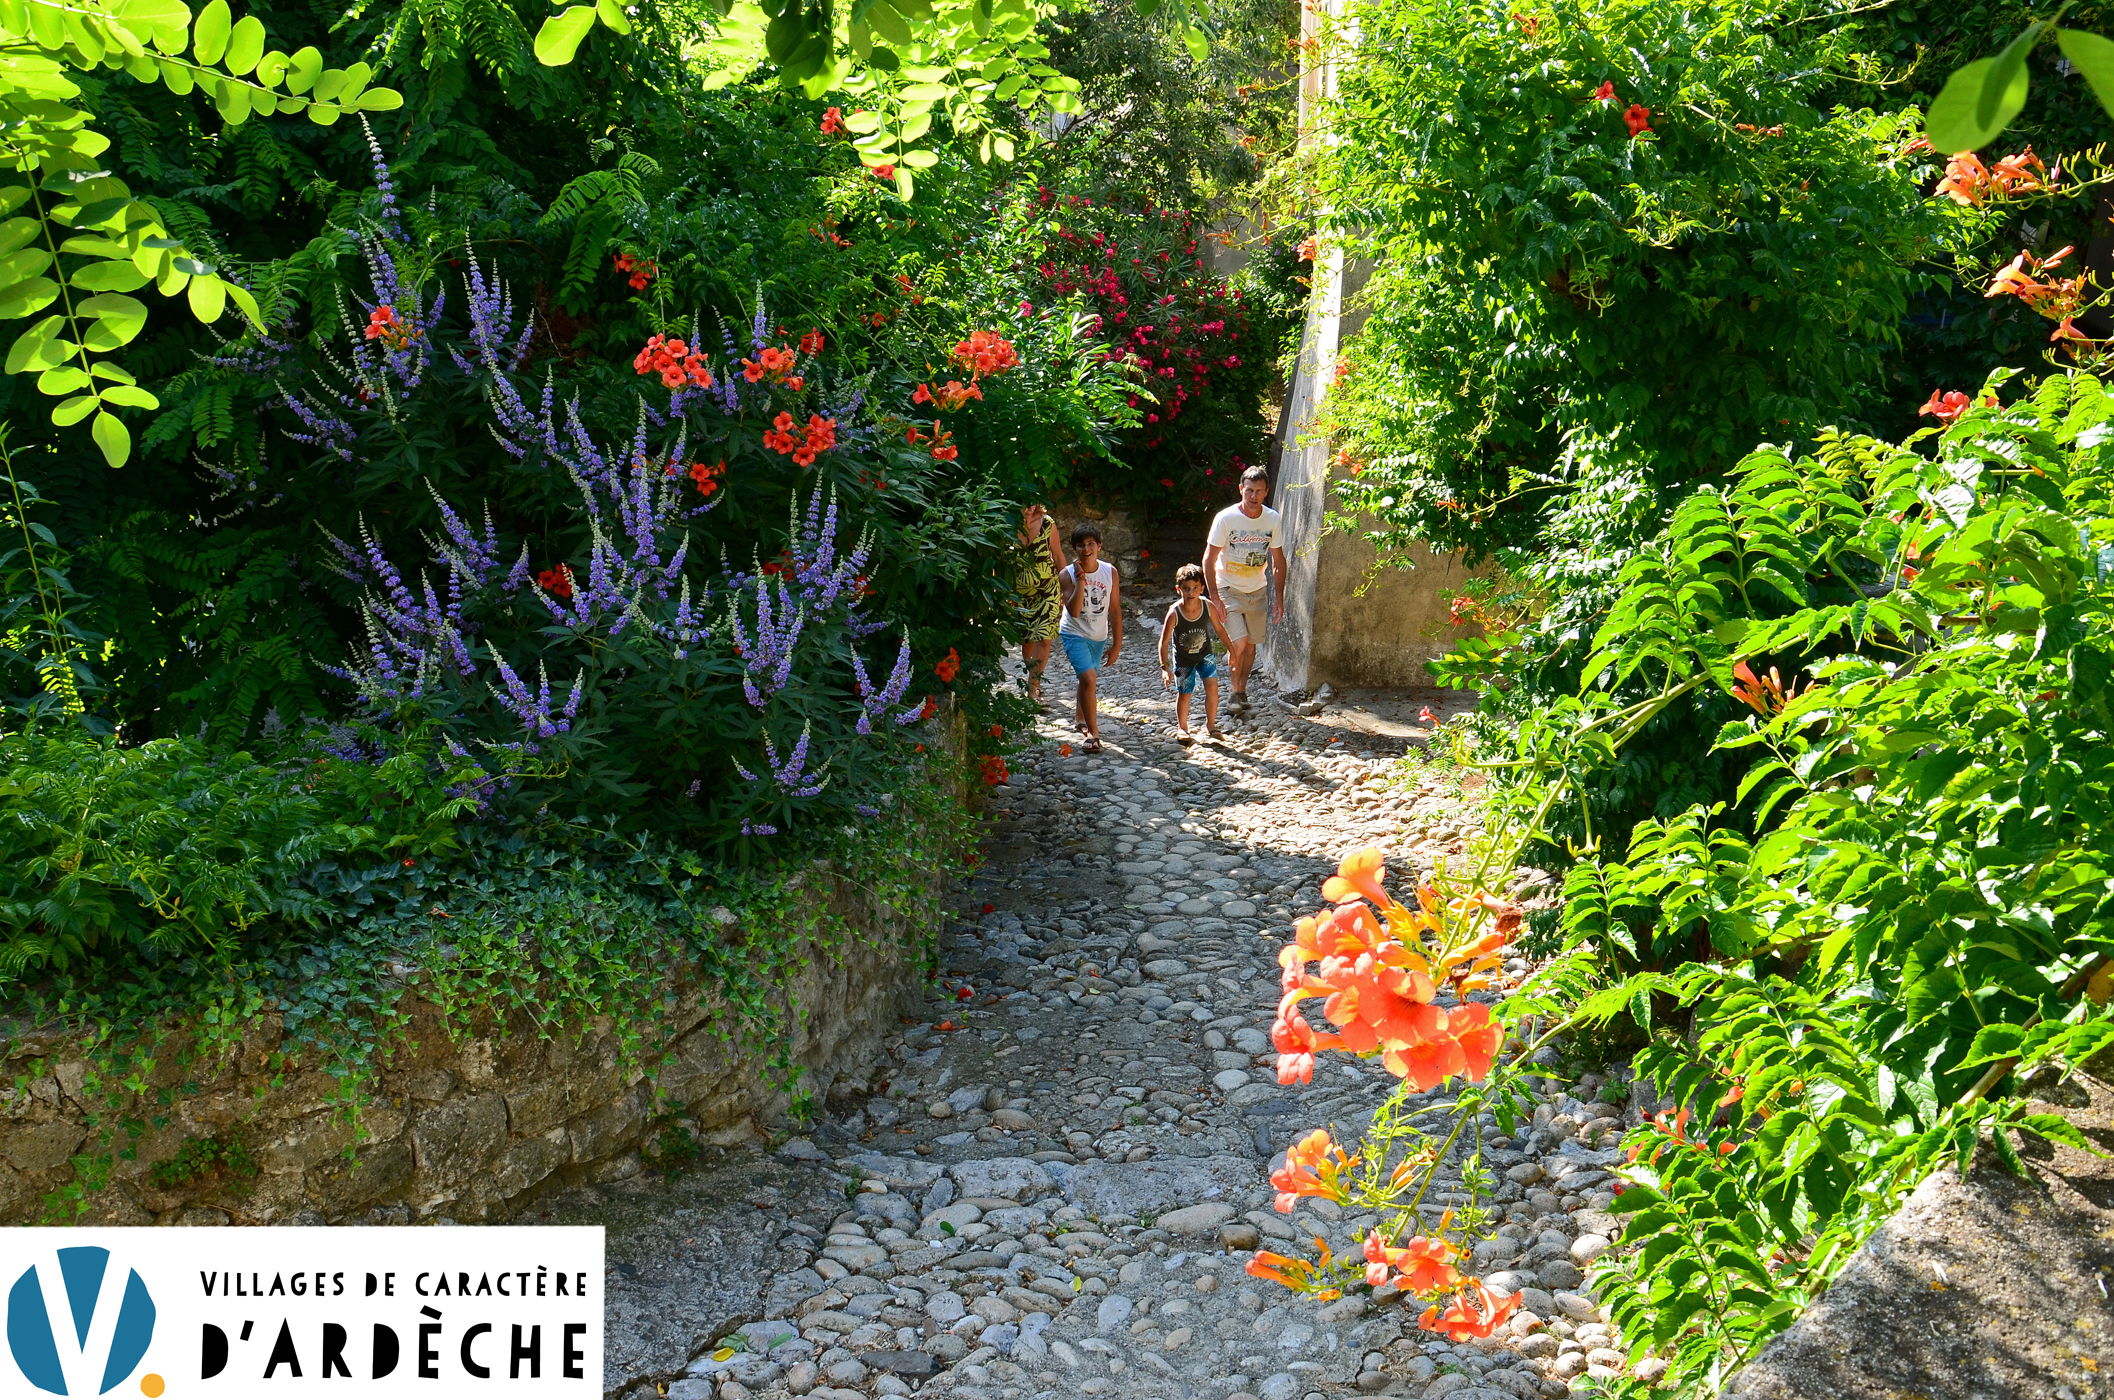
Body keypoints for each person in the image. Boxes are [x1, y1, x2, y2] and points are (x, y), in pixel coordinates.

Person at [1202, 464, 1287, 713]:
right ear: (1241, 489)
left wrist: (1279, 598)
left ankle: (1241, 690)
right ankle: (1232, 693)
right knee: (1238, 644)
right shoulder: (1226, 518)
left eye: (1259, 491)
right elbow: (1209, 558)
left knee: (1251, 646)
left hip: (1257, 589)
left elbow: (1278, 560)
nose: (1253, 496)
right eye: (1249, 490)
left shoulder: (1272, 519)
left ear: (1266, 492)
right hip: (1228, 587)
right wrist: (1215, 597)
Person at [1057, 521, 1121, 753]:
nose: (1086, 549)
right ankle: (1094, 735)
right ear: (1075, 548)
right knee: (1088, 679)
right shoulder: (1067, 575)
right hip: (1074, 633)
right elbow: (1073, 610)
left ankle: (1079, 715)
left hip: (1098, 635)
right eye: (1081, 545)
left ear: (1099, 546)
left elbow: (1114, 610)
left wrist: (1116, 644)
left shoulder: (1109, 571)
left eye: (1090, 544)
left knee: (1088, 678)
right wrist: (1081, 580)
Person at [1159, 562, 1236, 745]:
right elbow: (1163, 641)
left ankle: (1211, 725)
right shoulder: (1174, 613)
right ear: (1179, 589)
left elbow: (1220, 629)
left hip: (1205, 656)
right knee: (1185, 693)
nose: (1191, 593)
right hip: (1184, 661)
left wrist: (1231, 650)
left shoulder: (1207, 606)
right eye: (1186, 589)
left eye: (1195, 588)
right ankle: (1183, 727)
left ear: (1202, 588)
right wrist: (1165, 666)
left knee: (1213, 688)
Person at [1012, 503, 1066, 706]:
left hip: (1047, 590)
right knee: (1028, 639)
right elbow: (999, 562)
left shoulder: (1047, 524)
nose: (1028, 510)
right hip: (1019, 594)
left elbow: (1058, 556)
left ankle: (1033, 688)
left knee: (1044, 638)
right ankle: (1032, 678)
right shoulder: (1008, 525)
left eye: (1031, 505)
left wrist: (1066, 588)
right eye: (1023, 505)